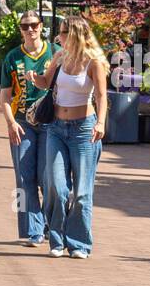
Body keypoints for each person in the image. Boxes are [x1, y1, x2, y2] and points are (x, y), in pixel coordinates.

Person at [29, 15, 107, 259]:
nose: (58, 37)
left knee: (82, 192)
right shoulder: (60, 57)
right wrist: (34, 78)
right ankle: (57, 239)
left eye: (62, 33)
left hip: (84, 129)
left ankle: (79, 244)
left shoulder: (93, 62)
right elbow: (46, 83)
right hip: (55, 128)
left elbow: (102, 96)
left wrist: (101, 123)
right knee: (56, 187)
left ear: (74, 34)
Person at [0, 11, 56, 245]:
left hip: (51, 122)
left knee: (49, 177)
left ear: (41, 26)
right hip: (22, 123)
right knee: (24, 178)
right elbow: (4, 95)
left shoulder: (56, 53)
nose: (30, 29)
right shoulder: (12, 57)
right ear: (20, 30)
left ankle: (50, 223)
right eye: (25, 26)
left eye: (34, 25)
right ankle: (33, 229)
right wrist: (10, 122)